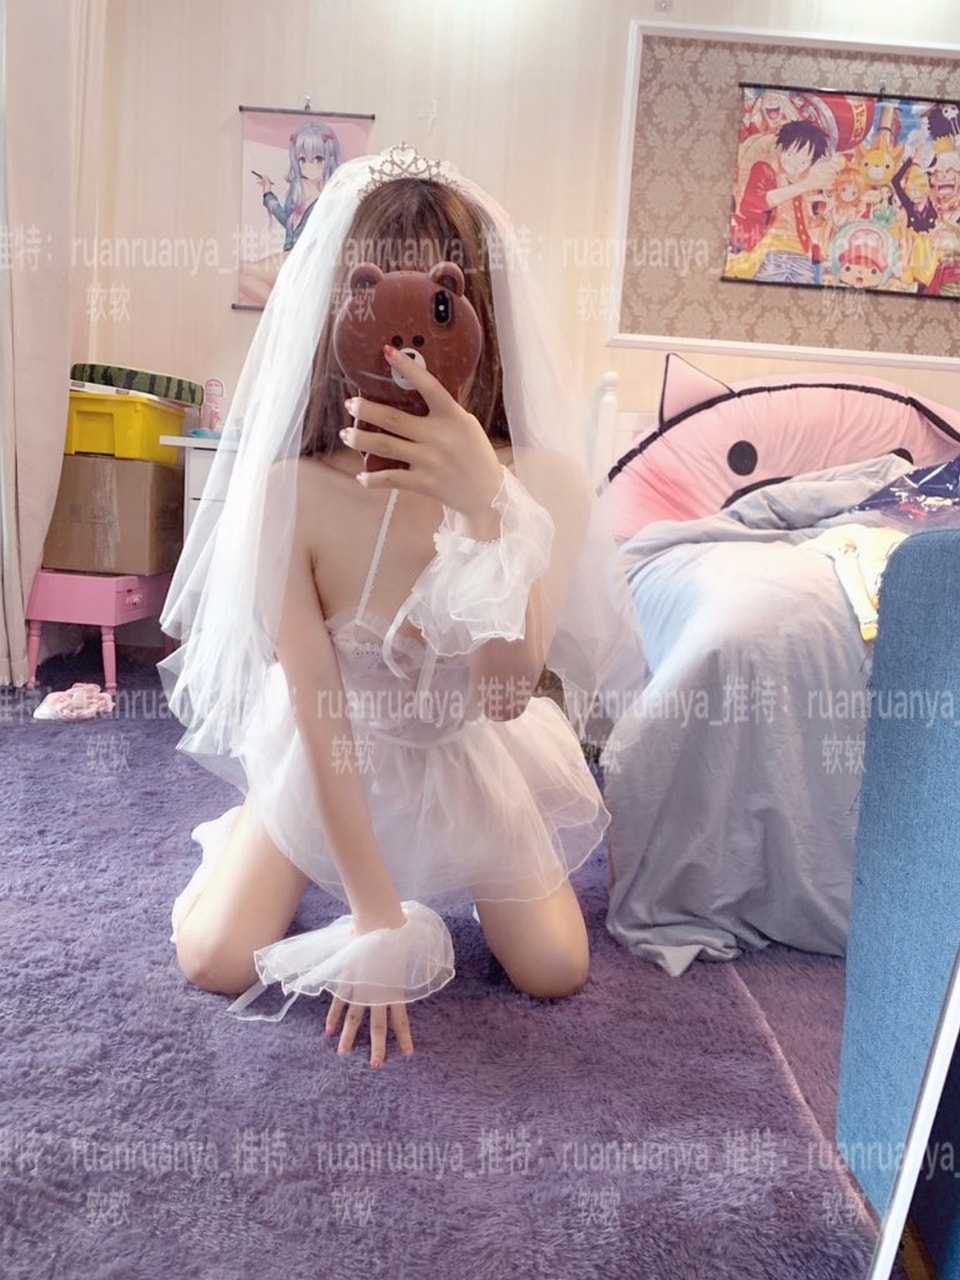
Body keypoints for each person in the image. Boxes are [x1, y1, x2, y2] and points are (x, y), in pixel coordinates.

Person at [160, 145, 641, 1067]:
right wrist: (376, 915)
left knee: (555, 967)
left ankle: (388, 862)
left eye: (438, 309)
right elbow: (319, 709)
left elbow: (504, 695)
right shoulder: (292, 492)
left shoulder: (543, 482)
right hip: (334, 750)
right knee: (214, 957)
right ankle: (264, 832)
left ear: (478, 315)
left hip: (465, 745)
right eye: (378, 307)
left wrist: (486, 511)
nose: (407, 346)